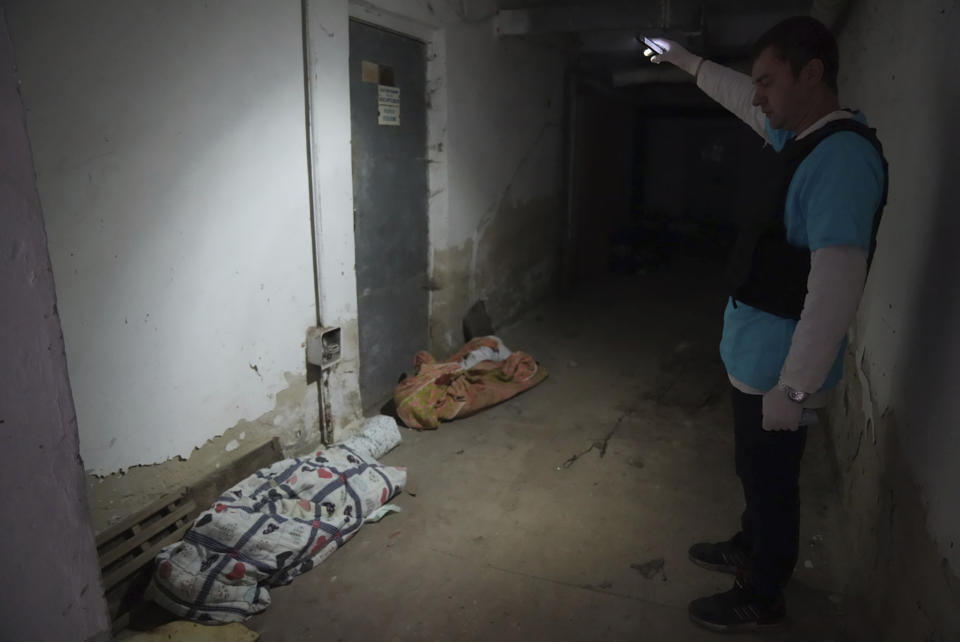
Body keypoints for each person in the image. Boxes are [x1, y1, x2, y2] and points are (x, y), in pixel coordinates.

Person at [644, 16, 888, 632]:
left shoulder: (841, 160)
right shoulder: (801, 138)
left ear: (812, 74)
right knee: (754, 472)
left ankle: (764, 590)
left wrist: (796, 387)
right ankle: (749, 547)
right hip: (757, 360)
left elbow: (836, 286)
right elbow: (739, 99)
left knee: (773, 482)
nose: (757, 96)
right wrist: (686, 61)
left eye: (768, 81)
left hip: (781, 373)